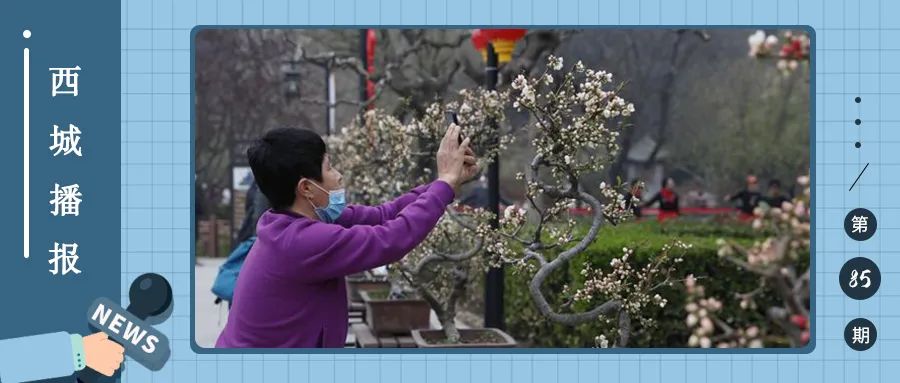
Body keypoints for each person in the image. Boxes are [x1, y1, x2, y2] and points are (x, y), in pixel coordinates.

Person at [215, 125, 478, 348]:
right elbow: (391, 239)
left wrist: (445, 183)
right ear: (306, 188)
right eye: (329, 167)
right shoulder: (301, 243)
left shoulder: (296, 220)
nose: (338, 175)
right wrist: (444, 184)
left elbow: (384, 215)